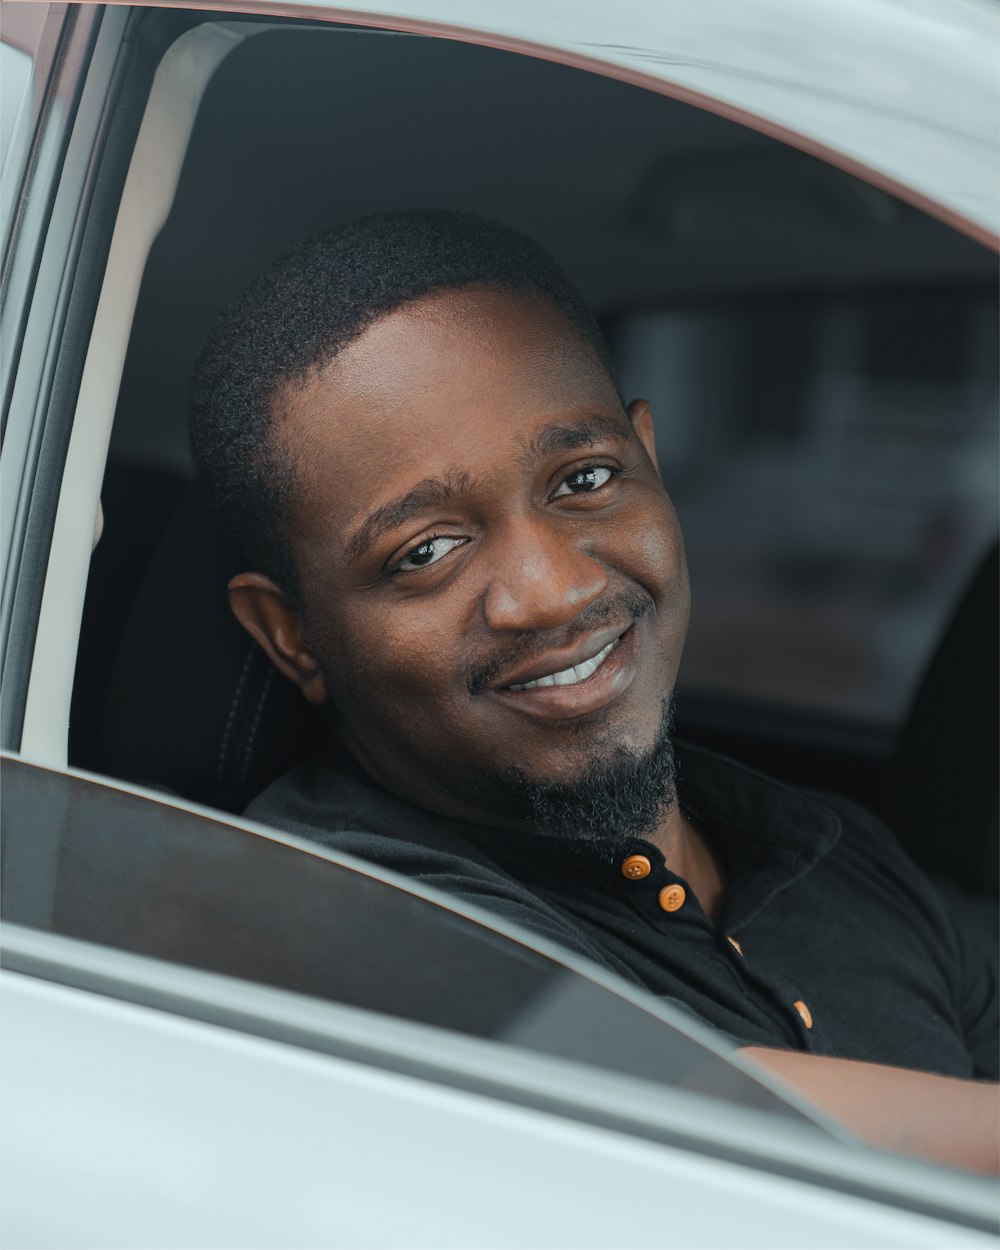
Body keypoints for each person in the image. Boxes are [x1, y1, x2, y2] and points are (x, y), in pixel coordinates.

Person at [189, 209, 998, 1172]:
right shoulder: (325, 915)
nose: (553, 592)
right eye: (428, 550)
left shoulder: (828, 849)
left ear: (649, 463)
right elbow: (687, 1121)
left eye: (584, 480)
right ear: (292, 637)